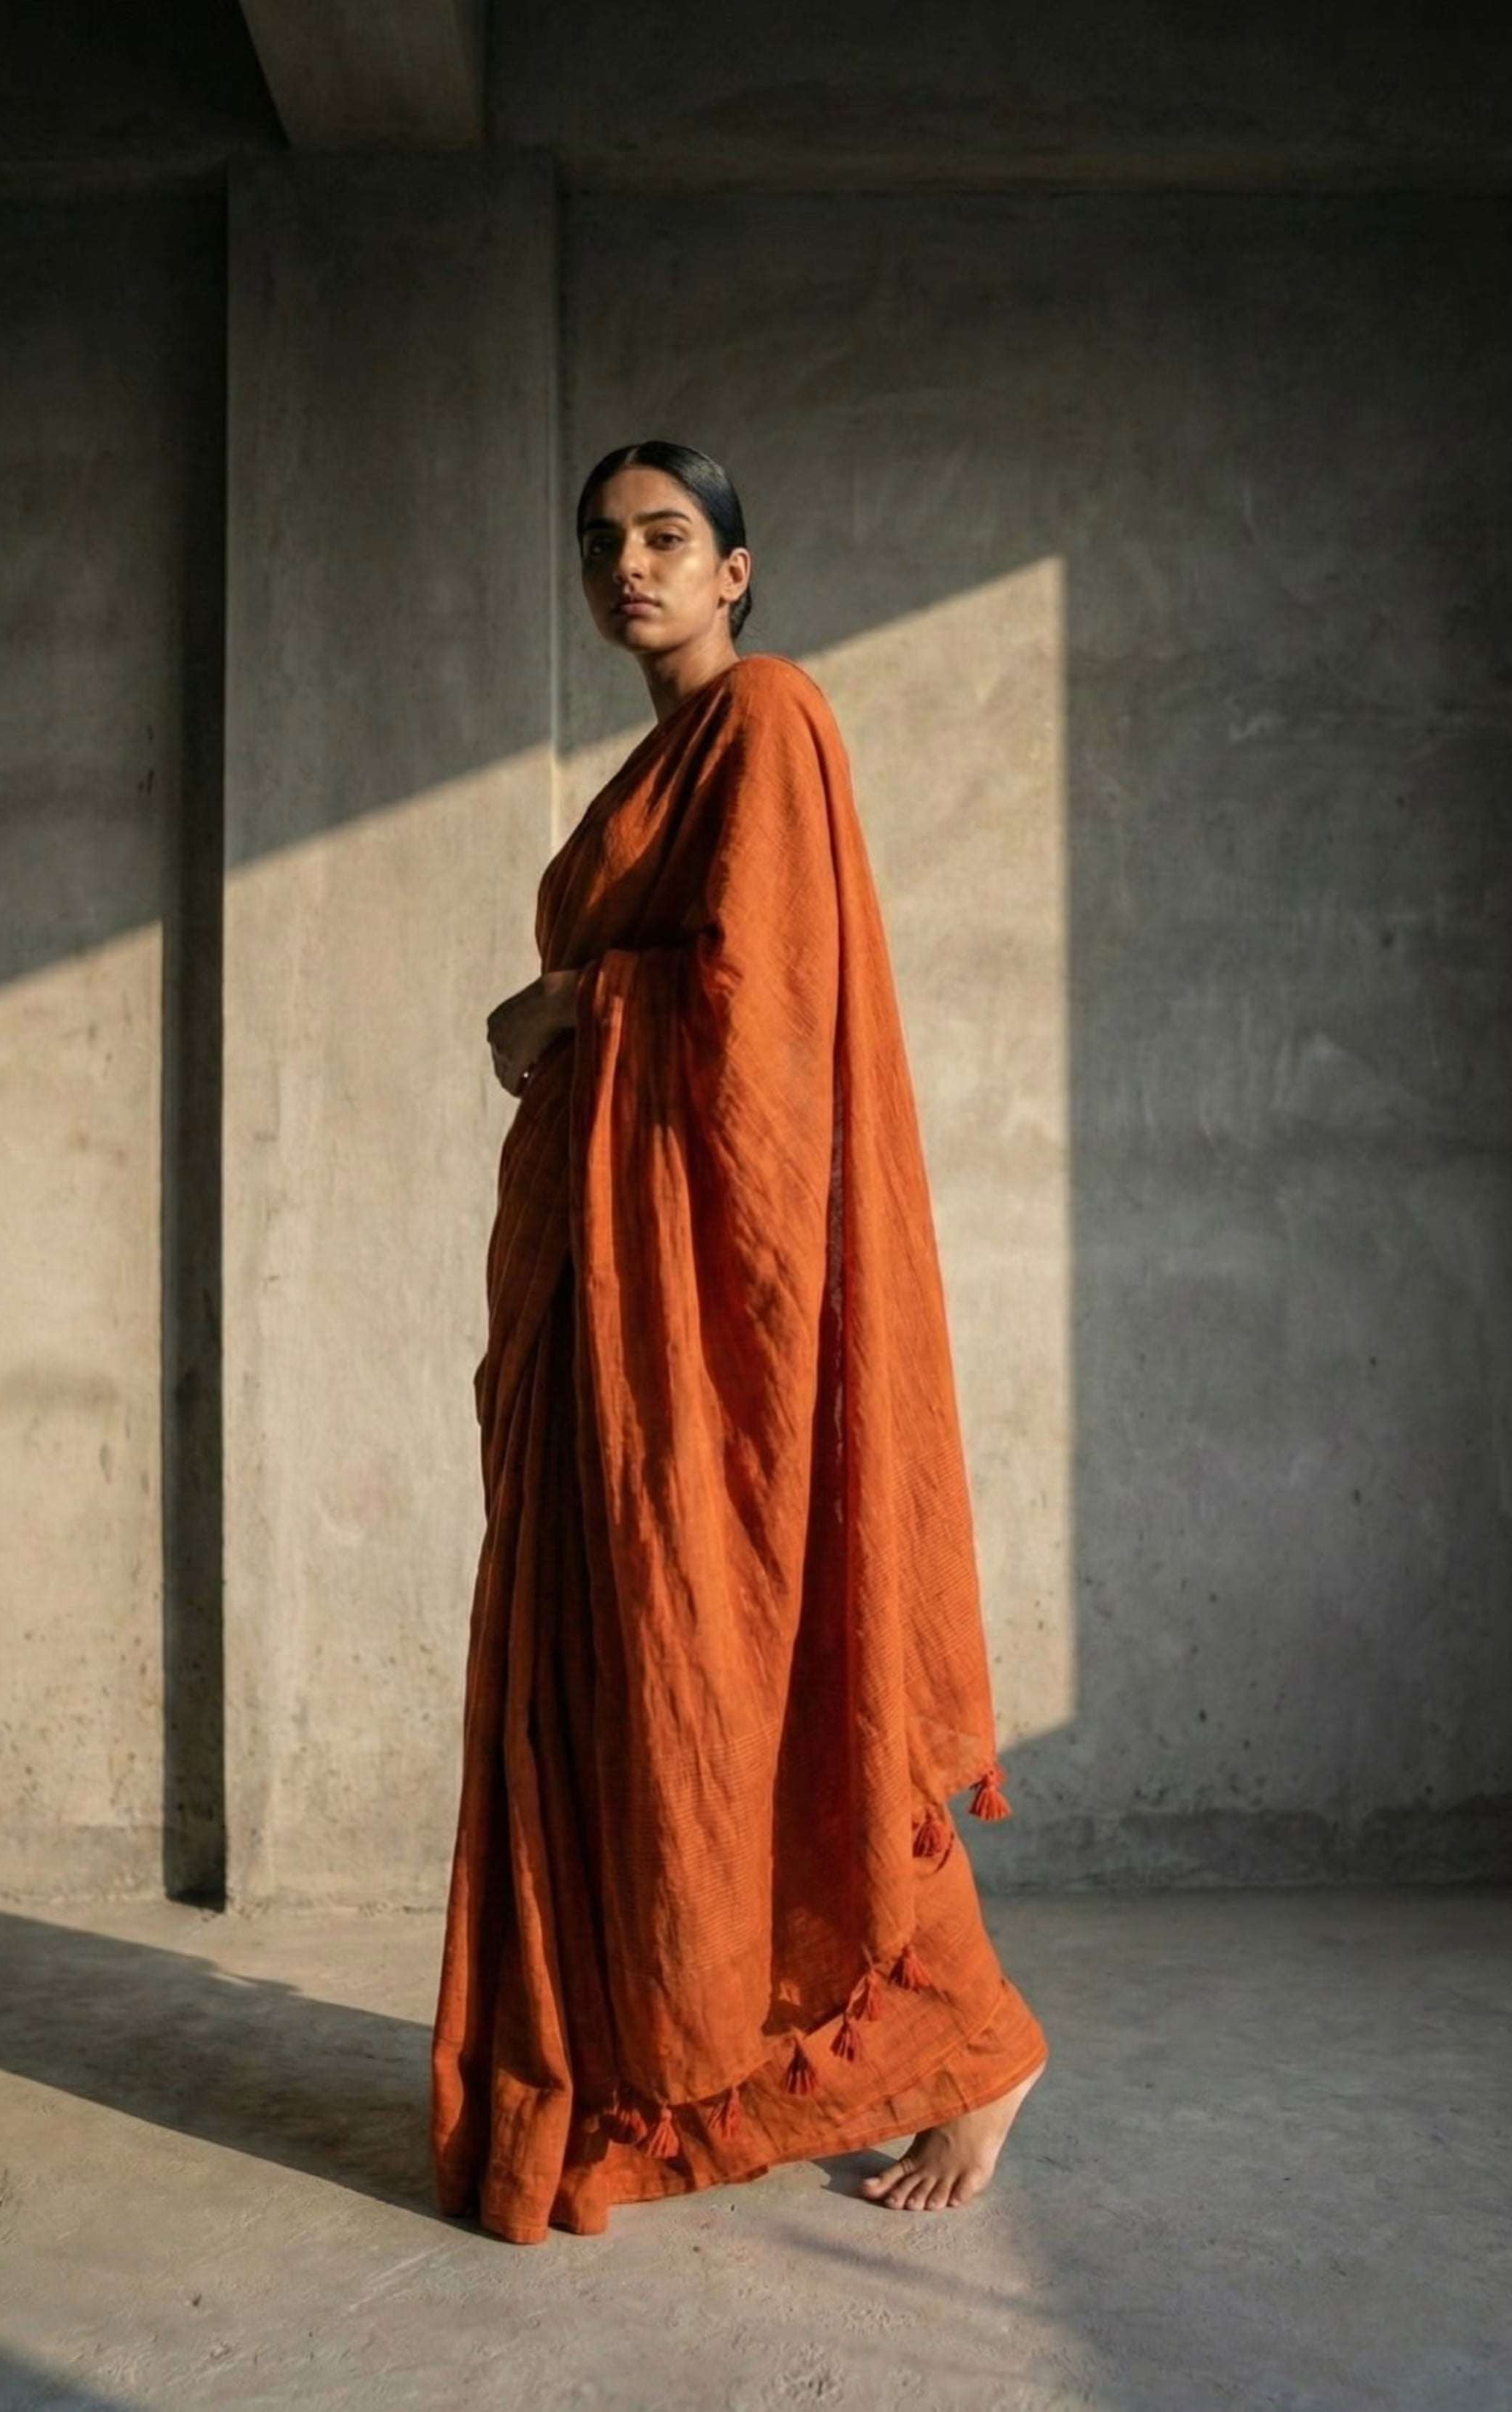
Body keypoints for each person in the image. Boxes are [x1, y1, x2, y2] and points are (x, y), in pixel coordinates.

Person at [430, 439, 1047, 2245]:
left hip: (701, 1294)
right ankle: (631, 2053)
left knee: (748, 1662)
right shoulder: (652, 760)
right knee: (615, 1672)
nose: (629, 566)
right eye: (604, 543)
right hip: (593, 1286)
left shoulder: (763, 718)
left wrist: (563, 1003)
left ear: (736, 571)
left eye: (666, 539)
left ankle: (973, 2043)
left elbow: (759, 1010)